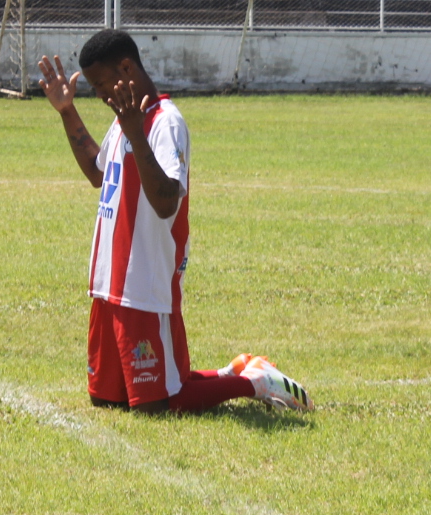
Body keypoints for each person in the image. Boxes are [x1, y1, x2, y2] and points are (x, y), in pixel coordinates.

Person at [37, 30, 313, 414]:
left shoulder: (165, 122)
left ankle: (254, 382)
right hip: (107, 284)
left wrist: (135, 129)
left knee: (161, 404)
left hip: (144, 284)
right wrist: (67, 111)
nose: (99, 94)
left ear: (126, 68)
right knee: (106, 400)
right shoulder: (124, 118)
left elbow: (167, 202)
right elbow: (99, 173)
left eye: (101, 83)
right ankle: (232, 370)